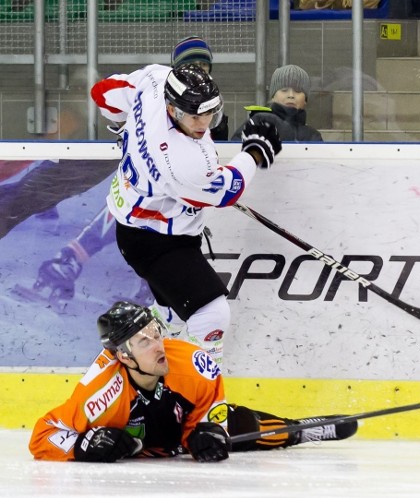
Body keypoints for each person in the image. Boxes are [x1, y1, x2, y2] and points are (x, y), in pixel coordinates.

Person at [13, 36, 227, 313]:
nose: (198, 69)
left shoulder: (210, 103)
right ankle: (71, 259)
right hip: (153, 193)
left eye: (203, 64)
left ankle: (140, 281)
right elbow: (110, 98)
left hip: (186, 196)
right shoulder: (155, 93)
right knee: (134, 211)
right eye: (191, 64)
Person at [89, 62, 281, 363]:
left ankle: (131, 374)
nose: (204, 121)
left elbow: (103, 94)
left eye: (210, 112)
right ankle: (198, 397)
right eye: (195, 115)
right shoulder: (183, 161)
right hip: (156, 241)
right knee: (213, 314)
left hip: (142, 228)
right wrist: (254, 151)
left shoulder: (155, 80)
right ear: (172, 108)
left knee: (170, 319)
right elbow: (229, 190)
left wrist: (122, 125)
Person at [29, 301, 357, 462]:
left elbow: (214, 409)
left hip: (179, 424)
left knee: (239, 426)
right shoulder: (100, 393)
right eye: (144, 342)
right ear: (123, 357)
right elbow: (44, 434)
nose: (158, 345)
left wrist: (206, 431)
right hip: (139, 445)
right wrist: (80, 447)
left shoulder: (191, 363)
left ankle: (300, 429)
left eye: (156, 333)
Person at [231, 64, 323, 142]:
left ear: (305, 100)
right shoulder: (259, 122)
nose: (291, 95)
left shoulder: (313, 136)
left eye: (298, 91)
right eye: (284, 90)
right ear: (273, 97)